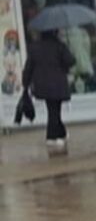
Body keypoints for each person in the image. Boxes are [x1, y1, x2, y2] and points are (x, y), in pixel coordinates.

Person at [22, 27, 75, 155]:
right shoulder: (59, 46)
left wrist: (25, 83)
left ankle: (61, 132)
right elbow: (71, 61)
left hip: (42, 85)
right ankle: (51, 136)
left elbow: (29, 66)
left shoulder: (35, 47)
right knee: (54, 110)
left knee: (53, 109)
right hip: (58, 84)